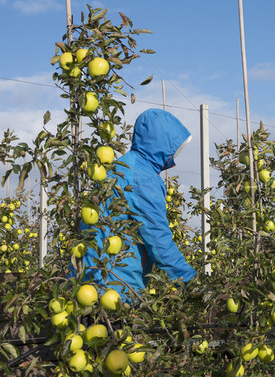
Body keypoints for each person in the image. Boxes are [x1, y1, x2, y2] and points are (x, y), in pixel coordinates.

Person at [78, 108, 196, 300]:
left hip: (88, 277)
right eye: (173, 147)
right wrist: (187, 278)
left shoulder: (123, 166)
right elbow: (157, 237)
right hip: (113, 285)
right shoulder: (142, 178)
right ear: (161, 143)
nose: (175, 154)